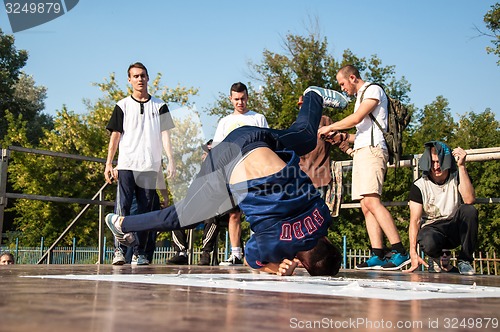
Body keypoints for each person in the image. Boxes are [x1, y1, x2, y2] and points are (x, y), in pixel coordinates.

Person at [105, 86, 347, 276]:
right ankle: (123, 223)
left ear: (326, 238)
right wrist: (275, 268)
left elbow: (308, 206)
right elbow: (252, 260)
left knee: (306, 138)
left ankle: (313, 95)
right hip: (224, 160)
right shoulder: (275, 245)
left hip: (256, 138)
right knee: (183, 216)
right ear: (303, 264)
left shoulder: (322, 214)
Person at [318, 65, 410, 270]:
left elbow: (357, 118)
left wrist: (331, 126)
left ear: (352, 78)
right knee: (365, 205)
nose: (342, 89)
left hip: (373, 150)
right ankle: (378, 254)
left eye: (342, 84)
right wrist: (341, 137)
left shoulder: (373, 90)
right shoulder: (360, 98)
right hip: (361, 151)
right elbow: (359, 132)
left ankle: (401, 252)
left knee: (372, 200)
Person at [104, 62, 176, 266]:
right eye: (135, 76)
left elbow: (165, 135)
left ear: (148, 78)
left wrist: (170, 159)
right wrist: (109, 163)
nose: (139, 79)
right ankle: (119, 251)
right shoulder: (122, 105)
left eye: (142, 75)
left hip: (149, 166)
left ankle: (140, 253)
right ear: (129, 80)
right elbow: (115, 136)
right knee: (122, 209)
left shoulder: (160, 105)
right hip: (127, 164)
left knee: (146, 212)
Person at [212, 82, 269, 266]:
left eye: (243, 98)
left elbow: (268, 142)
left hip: (255, 172)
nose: (240, 102)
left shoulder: (258, 118)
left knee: (257, 213)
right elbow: (218, 149)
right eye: (236, 99)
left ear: (248, 97)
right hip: (232, 173)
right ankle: (236, 253)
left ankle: (259, 253)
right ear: (231, 99)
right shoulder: (225, 122)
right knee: (234, 214)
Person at [405, 141, 478, 275]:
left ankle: (465, 261)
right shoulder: (419, 185)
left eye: (439, 162)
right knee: (427, 239)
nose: (436, 167)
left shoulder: (457, 177)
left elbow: (469, 200)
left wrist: (461, 166)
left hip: (454, 226)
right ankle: (436, 259)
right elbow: (414, 221)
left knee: (470, 210)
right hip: (433, 228)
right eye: (432, 162)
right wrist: (413, 253)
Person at [167, 140, 222, 266]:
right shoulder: (198, 174)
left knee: (212, 215)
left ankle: (206, 253)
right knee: (176, 214)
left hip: (213, 208)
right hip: (197, 208)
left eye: (207, 154)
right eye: (204, 154)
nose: (204, 156)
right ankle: (181, 252)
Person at [297, 95, 334, 200]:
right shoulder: (297, 126)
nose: (301, 109)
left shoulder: (324, 121)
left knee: (320, 211)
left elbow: (337, 139)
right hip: (302, 179)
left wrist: (350, 151)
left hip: (320, 176)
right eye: (300, 107)